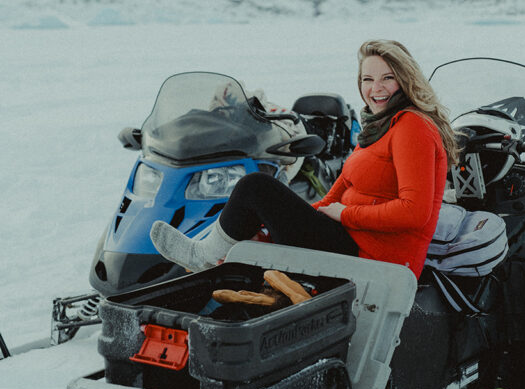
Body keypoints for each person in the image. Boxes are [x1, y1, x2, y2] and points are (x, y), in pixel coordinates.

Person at [151, 39, 459, 279]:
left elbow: (413, 213)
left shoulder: (412, 126)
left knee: (256, 187)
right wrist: (295, 218)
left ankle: (201, 257)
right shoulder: (380, 127)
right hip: (352, 240)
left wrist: (345, 214)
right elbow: (338, 191)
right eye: (367, 79)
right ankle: (218, 263)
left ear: (405, 81)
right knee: (266, 214)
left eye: (387, 78)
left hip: (375, 258)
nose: (375, 89)